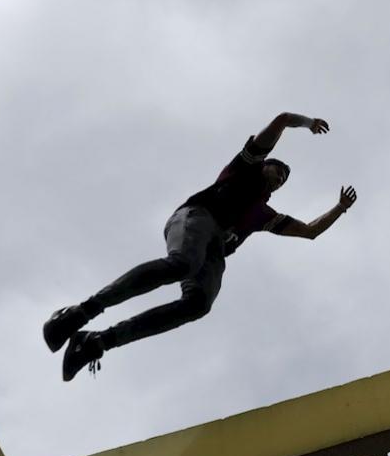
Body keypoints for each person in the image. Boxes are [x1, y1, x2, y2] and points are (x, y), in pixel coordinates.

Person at [44, 112, 358, 381]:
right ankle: (79, 313)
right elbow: (282, 120)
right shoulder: (243, 169)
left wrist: (339, 208)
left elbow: (310, 231)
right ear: (265, 166)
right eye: (278, 171)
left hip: (215, 250)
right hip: (196, 218)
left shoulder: (263, 215)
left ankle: (96, 342)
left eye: (284, 180)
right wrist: (307, 123)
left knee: (198, 305)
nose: (279, 179)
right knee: (182, 264)